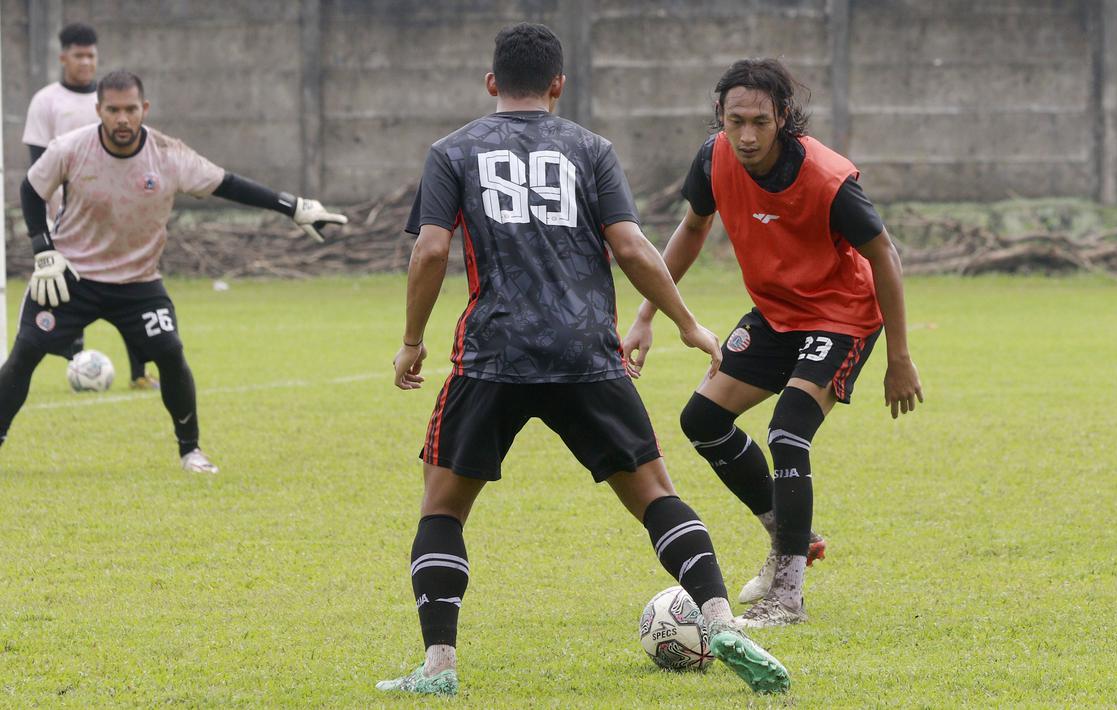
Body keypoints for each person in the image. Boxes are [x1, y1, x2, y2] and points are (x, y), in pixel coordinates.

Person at [378, 24, 790, 697]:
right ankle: (720, 622)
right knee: (655, 495)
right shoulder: (588, 148)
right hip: (584, 349)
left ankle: (437, 670)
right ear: (557, 85)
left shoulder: (452, 151)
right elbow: (629, 246)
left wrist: (413, 340)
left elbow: (428, 252)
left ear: (490, 84)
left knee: (442, 510)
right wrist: (683, 322)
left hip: (494, 353)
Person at [622, 58, 924, 627]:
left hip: (841, 316)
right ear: (721, 116)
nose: (747, 135)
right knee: (702, 421)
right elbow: (691, 228)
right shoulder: (714, 158)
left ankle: (787, 596)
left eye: (760, 121)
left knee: (787, 432)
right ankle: (792, 536)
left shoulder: (828, 179)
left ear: (783, 117)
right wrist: (646, 315)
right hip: (776, 313)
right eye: (735, 120)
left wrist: (900, 359)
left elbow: (883, 253)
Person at [0, 70, 347, 473]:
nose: (123, 119)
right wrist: (43, 250)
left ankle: (191, 451)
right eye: (113, 110)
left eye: (131, 109)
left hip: (138, 282)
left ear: (144, 108)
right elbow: (31, 188)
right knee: (25, 353)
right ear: (99, 111)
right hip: (72, 277)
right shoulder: (71, 148)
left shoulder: (169, 155)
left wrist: (294, 206)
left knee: (170, 352)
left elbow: (228, 184)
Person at [22, 22, 158, 389]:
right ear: (63, 56)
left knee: (132, 287)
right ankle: (73, 364)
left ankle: (139, 373)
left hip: (117, 218)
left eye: (91, 55)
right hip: (69, 221)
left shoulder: (113, 99)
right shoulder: (46, 101)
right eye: (78, 55)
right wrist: (47, 224)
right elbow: (38, 171)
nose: (85, 62)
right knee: (70, 296)